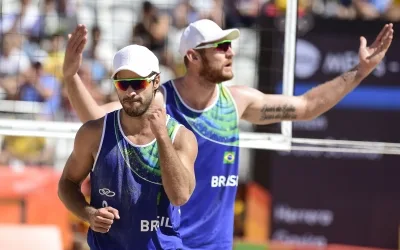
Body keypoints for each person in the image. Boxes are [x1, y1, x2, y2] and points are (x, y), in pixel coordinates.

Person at [63, 20, 394, 249]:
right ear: (192, 57)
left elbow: (307, 106)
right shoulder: (159, 99)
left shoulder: (236, 101)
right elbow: (98, 123)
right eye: (220, 46)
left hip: (213, 244)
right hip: (164, 240)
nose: (230, 51)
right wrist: (71, 77)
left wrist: (359, 70)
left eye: (229, 45)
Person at [58, 44, 198, 250]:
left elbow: (180, 196)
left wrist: (161, 136)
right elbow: (67, 184)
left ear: (156, 81)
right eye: (123, 85)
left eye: (138, 83)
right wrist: (88, 214)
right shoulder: (94, 133)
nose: (131, 92)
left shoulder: (180, 137)